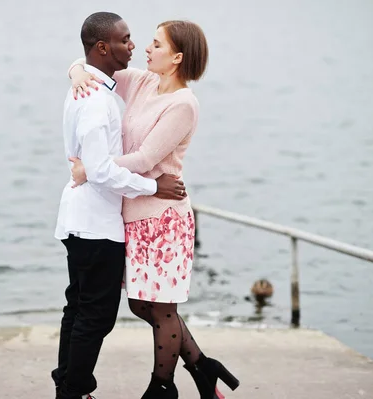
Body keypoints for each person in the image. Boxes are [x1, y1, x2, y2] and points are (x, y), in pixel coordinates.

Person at [67, 20, 240, 399]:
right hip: (133, 213)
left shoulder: (184, 104)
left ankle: (161, 387)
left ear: (177, 57)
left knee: (159, 307)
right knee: (141, 303)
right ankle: (201, 367)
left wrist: (93, 168)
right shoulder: (143, 82)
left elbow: (146, 158)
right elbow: (97, 67)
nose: (146, 48)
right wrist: (76, 71)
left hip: (163, 216)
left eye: (156, 44)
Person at [53, 12, 188, 399]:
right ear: (103, 48)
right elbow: (101, 172)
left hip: (81, 220)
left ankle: (68, 384)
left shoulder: (96, 88)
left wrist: (77, 68)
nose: (134, 46)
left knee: (78, 309)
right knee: (95, 318)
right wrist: (154, 186)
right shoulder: (96, 101)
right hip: (96, 225)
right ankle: (73, 390)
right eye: (126, 39)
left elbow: (95, 169)